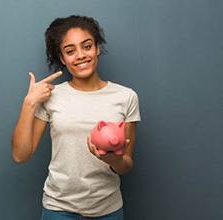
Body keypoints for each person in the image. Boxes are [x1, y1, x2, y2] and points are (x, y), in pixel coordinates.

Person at [11, 15, 141, 220]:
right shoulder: (51, 96)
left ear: (97, 48)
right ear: (62, 59)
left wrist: (112, 159)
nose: (80, 55)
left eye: (87, 46)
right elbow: (20, 155)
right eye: (70, 51)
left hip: (107, 211)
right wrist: (29, 103)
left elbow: (126, 166)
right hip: (58, 210)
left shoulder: (126, 97)